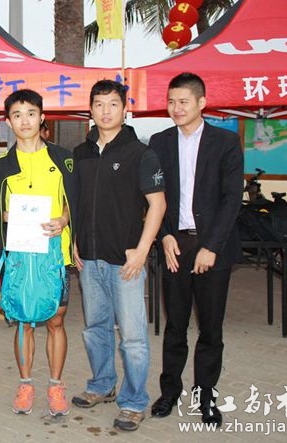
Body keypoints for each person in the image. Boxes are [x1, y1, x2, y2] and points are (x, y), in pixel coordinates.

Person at [148, 73, 243, 428]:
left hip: (212, 247)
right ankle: (169, 392)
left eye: (183, 101)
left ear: (201, 103)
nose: (176, 108)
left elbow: (232, 199)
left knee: (210, 329)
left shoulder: (225, 142)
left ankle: (206, 398)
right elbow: (153, 197)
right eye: (171, 101)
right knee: (174, 325)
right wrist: (164, 236)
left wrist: (211, 247)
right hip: (175, 246)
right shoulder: (159, 142)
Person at [70, 80, 166, 431]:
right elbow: (77, 202)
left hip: (126, 261)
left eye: (113, 104)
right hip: (89, 258)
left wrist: (142, 250)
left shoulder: (140, 153)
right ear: (90, 109)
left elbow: (158, 204)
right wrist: (75, 241)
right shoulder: (81, 153)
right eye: (99, 104)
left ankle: (134, 401)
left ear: (125, 109)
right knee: (95, 329)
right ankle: (102, 385)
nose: (105, 111)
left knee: (133, 337)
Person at [0, 89, 77, 417]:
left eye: (31, 114)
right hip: (20, 254)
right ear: (8, 122)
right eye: (17, 115)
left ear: (42, 118)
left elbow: (74, 202)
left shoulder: (63, 159)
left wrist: (63, 220)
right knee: (24, 320)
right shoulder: (0, 168)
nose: (25, 121)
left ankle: (56, 385)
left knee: (56, 319)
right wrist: (8, 216)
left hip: (55, 253)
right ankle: (25, 384)